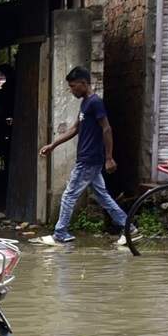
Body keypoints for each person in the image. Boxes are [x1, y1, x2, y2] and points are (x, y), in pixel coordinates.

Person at [39, 65, 128, 246]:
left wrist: (109, 157)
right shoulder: (85, 103)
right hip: (89, 159)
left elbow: (107, 128)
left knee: (69, 195)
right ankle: (129, 228)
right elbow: (74, 129)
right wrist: (53, 145)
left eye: (73, 86)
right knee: (103, 196)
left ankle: (60, 234)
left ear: (83, 83)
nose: (71, 90)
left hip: (89, 159)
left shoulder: (95, 102)